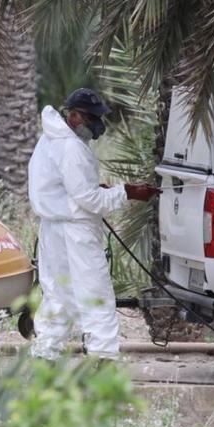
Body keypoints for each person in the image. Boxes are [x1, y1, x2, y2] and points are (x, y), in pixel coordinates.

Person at [27, 88, 160, 360]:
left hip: (52, 229)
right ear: (74, 117)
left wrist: (94, 188)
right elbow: (90, 200)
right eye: (92, 119)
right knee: (95, 293)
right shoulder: (72, 147)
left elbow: (62, 185)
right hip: (76, 232)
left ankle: (45, 356)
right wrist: (128, 192)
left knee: (57, 295)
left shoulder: (49, 139)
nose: (98, 126)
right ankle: (103, 359)